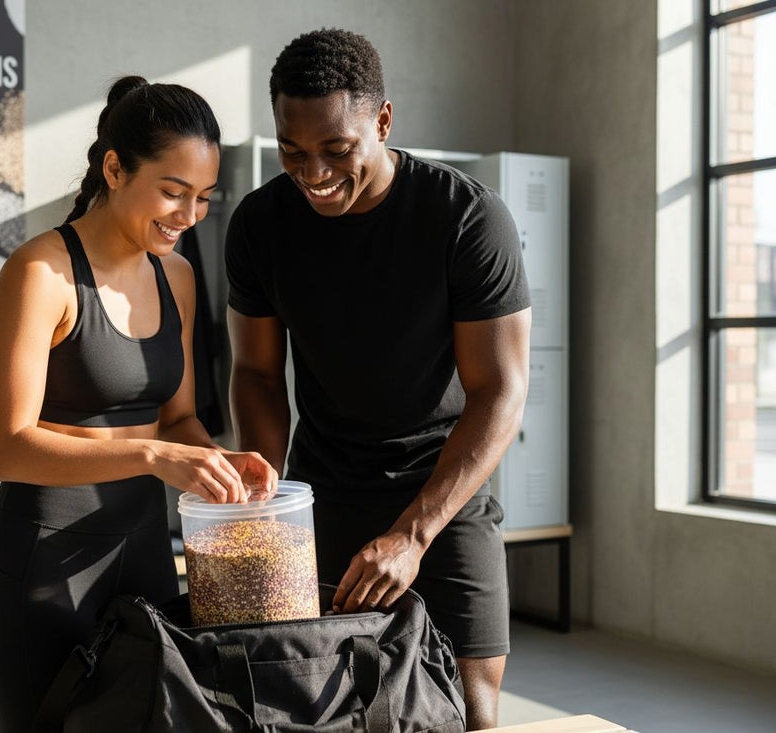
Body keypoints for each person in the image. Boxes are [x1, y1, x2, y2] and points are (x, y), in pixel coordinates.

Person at [226, 29, 531, 730]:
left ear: (383, 122)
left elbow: (500, 391)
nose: (314, 173)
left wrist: (414, 535)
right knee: (325, 704)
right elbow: (256, 372)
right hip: (323, 489)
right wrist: (264, 502)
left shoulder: (466, 218)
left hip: (442, 496)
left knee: (468, 708)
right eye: (293, 151)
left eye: (337, 150)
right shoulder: (261, 224)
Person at [0, 75, 277, 732]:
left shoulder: (178, 276)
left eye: (203, 198)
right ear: (115, 167)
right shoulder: (39, 273)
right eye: (172, 192)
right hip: (43, 564)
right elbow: (5, 446)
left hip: (143, 555)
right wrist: (150, 455)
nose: (189, 215)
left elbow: (179, 418)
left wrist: (222, 461)